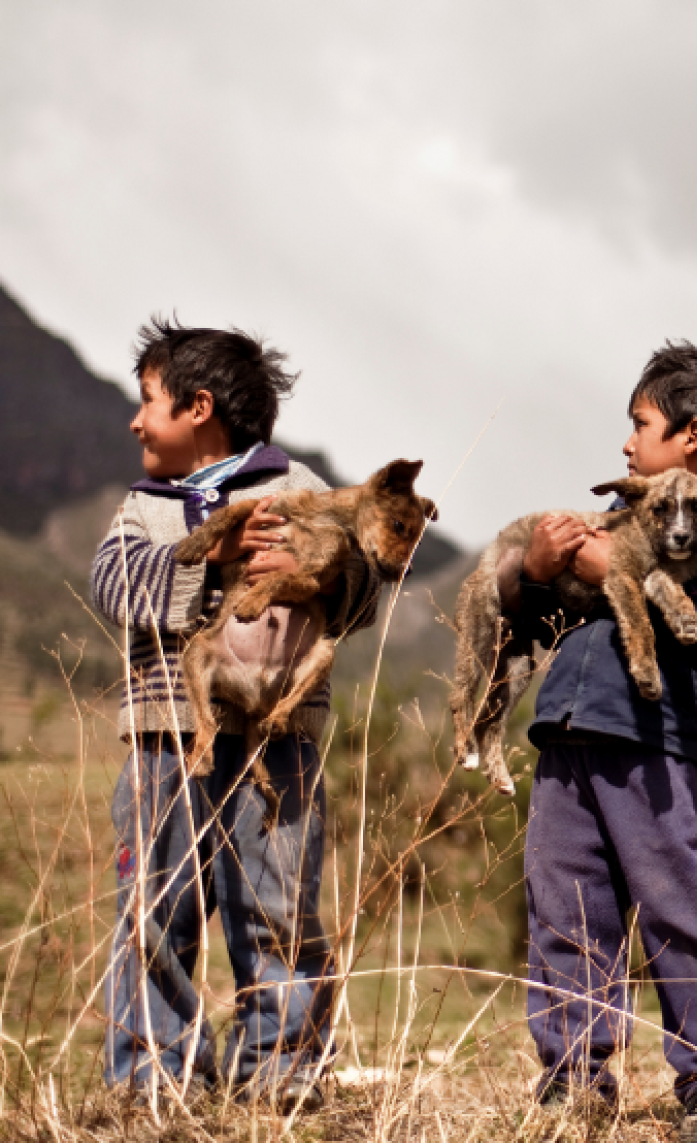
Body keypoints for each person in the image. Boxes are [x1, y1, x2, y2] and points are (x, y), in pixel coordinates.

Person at [93, 318, 380, 1107]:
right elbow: (114, 587)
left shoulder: (303, 489)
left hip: (276, 741)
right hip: (167, 741)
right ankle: (156, 1072)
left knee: (277, 907)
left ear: (199, 408)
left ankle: (281, 1069)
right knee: (155, 909)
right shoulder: (143, 510)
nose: (134, 419)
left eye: (145, 400)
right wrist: (209, 560)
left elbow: (361, 589)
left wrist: (318, 574)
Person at [512, 343, 697, 1142]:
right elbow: (541, 620)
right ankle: (574, 1082)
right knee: (565, 907)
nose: (629, 442)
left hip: (660, 747)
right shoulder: (623, 519)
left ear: (693, 434)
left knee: (679, 906)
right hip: (569, 735)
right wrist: (538, 569)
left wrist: (604, 565)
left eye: (641, 423)